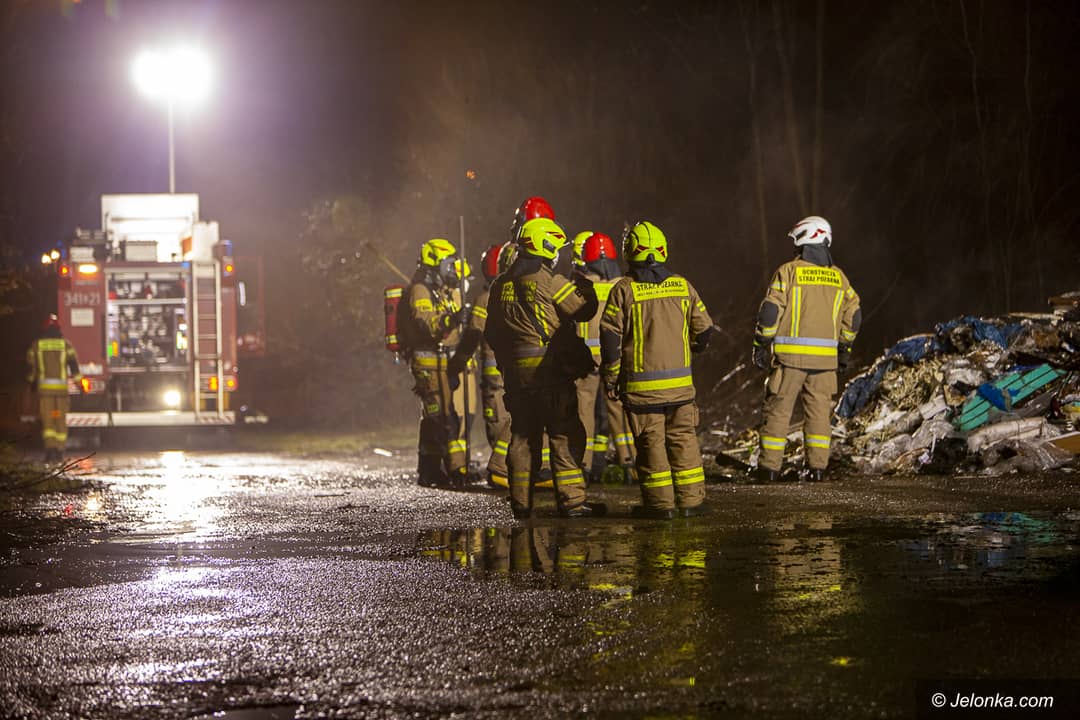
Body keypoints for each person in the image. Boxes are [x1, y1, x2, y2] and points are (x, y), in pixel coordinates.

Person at [485, 217, 601, 519]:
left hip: (516, 378)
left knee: (523, 438)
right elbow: (583, 311)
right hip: (550, 373)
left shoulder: (499, 285)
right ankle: (572, 501)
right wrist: (586, 288)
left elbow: (491, 334)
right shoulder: (550, 280)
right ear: (545, 246)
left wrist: (509, 363)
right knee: (564, 434)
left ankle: (521, 503)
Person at [600, 221, 713, 519]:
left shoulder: (623, 290)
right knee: (684, 440)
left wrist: (611, 377)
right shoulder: (683, 286)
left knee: (651, 445)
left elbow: (610, 338)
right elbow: (704, 330)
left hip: (642, 392)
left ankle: (660, 506)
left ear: (630, 251)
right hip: (680, 389)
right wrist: (691, 349)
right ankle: (691, 502)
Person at [751, 215, 861, 482]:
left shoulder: (788, 271)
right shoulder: (840, 279)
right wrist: (844, 349)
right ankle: (817, 469)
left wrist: (761, 344)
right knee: (819, 416)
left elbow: (770, 311)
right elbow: (854, 315)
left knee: (778, 412)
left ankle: (769, 470)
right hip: (825, 364)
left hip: (790, 361)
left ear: (805, 237)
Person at [400, 238, 473, 487]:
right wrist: (451, 320)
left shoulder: (441, 290)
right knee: (442, 416)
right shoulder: (420, 290)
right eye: (448, 264)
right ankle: (456, 470)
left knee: (435, 417)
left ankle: (429, 469)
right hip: (428, 364)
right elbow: (426, 324)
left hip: (442, 363)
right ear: (435, 264)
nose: (451, 269)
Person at [572, 231, 635, 481]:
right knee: (620, 410)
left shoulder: (580, 287)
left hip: (585, 362)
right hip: (614, 358)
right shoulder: (623, 286)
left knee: (584, 412)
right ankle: (630, 462)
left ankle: (583, 465)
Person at [449, 242, 511, 488]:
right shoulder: (518, 294)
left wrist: (456, 364)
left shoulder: (484, 300)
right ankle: (508, 468)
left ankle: (503, 468)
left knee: (498, 420)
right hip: (518, 371)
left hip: (494, 375)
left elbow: (472, 337)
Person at [26, 313, 81, 464]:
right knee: (60, 419)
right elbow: (74, 366)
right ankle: (60, 451)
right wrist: (80, 386)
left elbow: (31, 367)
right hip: (61, 393)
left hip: (45, 393)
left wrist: (31, 384)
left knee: (48, 420)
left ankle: (50, 451)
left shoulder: (36, 345)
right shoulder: (66, 345)